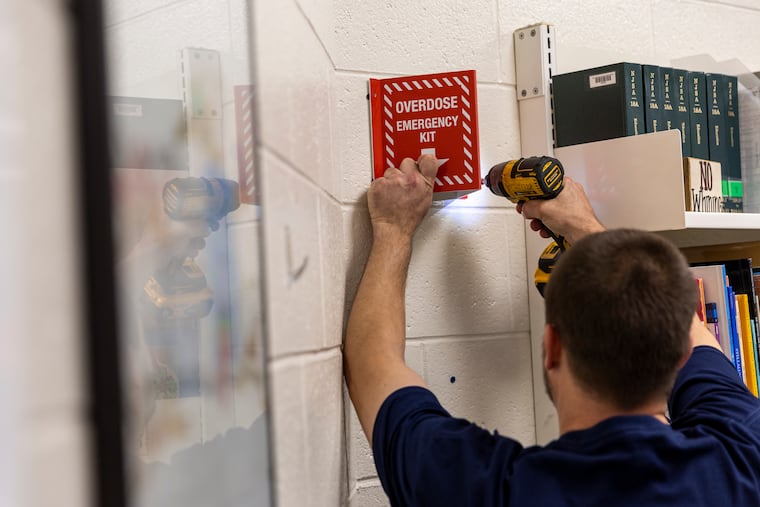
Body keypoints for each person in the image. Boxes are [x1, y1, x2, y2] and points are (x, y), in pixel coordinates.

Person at [344, 155, 760, 506]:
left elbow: (371, 361)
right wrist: (586, 228)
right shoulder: (743, 454)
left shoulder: (496, 489)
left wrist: (393, 230)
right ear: (678, 359)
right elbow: (688, 328)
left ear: (552, 347)